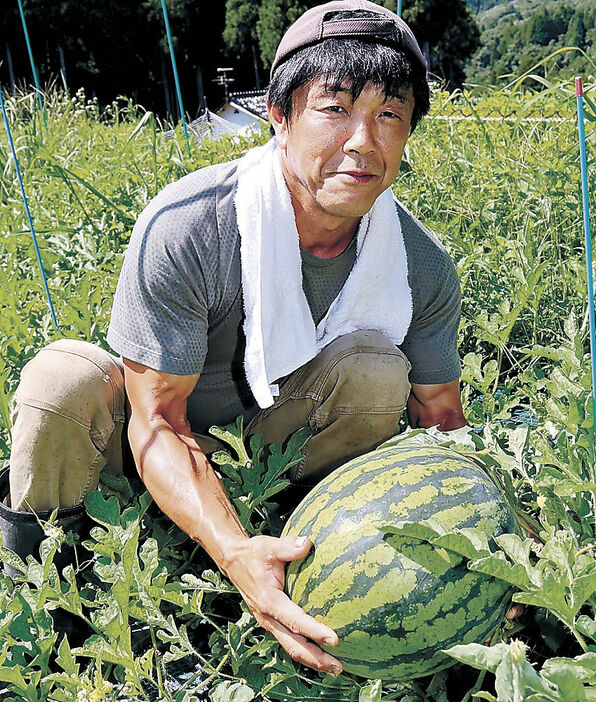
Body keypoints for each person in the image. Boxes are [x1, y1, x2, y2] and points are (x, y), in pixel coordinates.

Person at [1, 0, 468, 677]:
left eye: (390, 114)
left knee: (374, 368)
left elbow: (441, 421)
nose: (364, 141)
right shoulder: (193, 227)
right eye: (334, 108)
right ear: (278, 116)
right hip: (144, 454)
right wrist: (229, 549)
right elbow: (158, 422)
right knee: (59, 382)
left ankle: (288, 551)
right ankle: (54, 598)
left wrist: (487, 547)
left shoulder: (419, 265)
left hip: (269, 450)